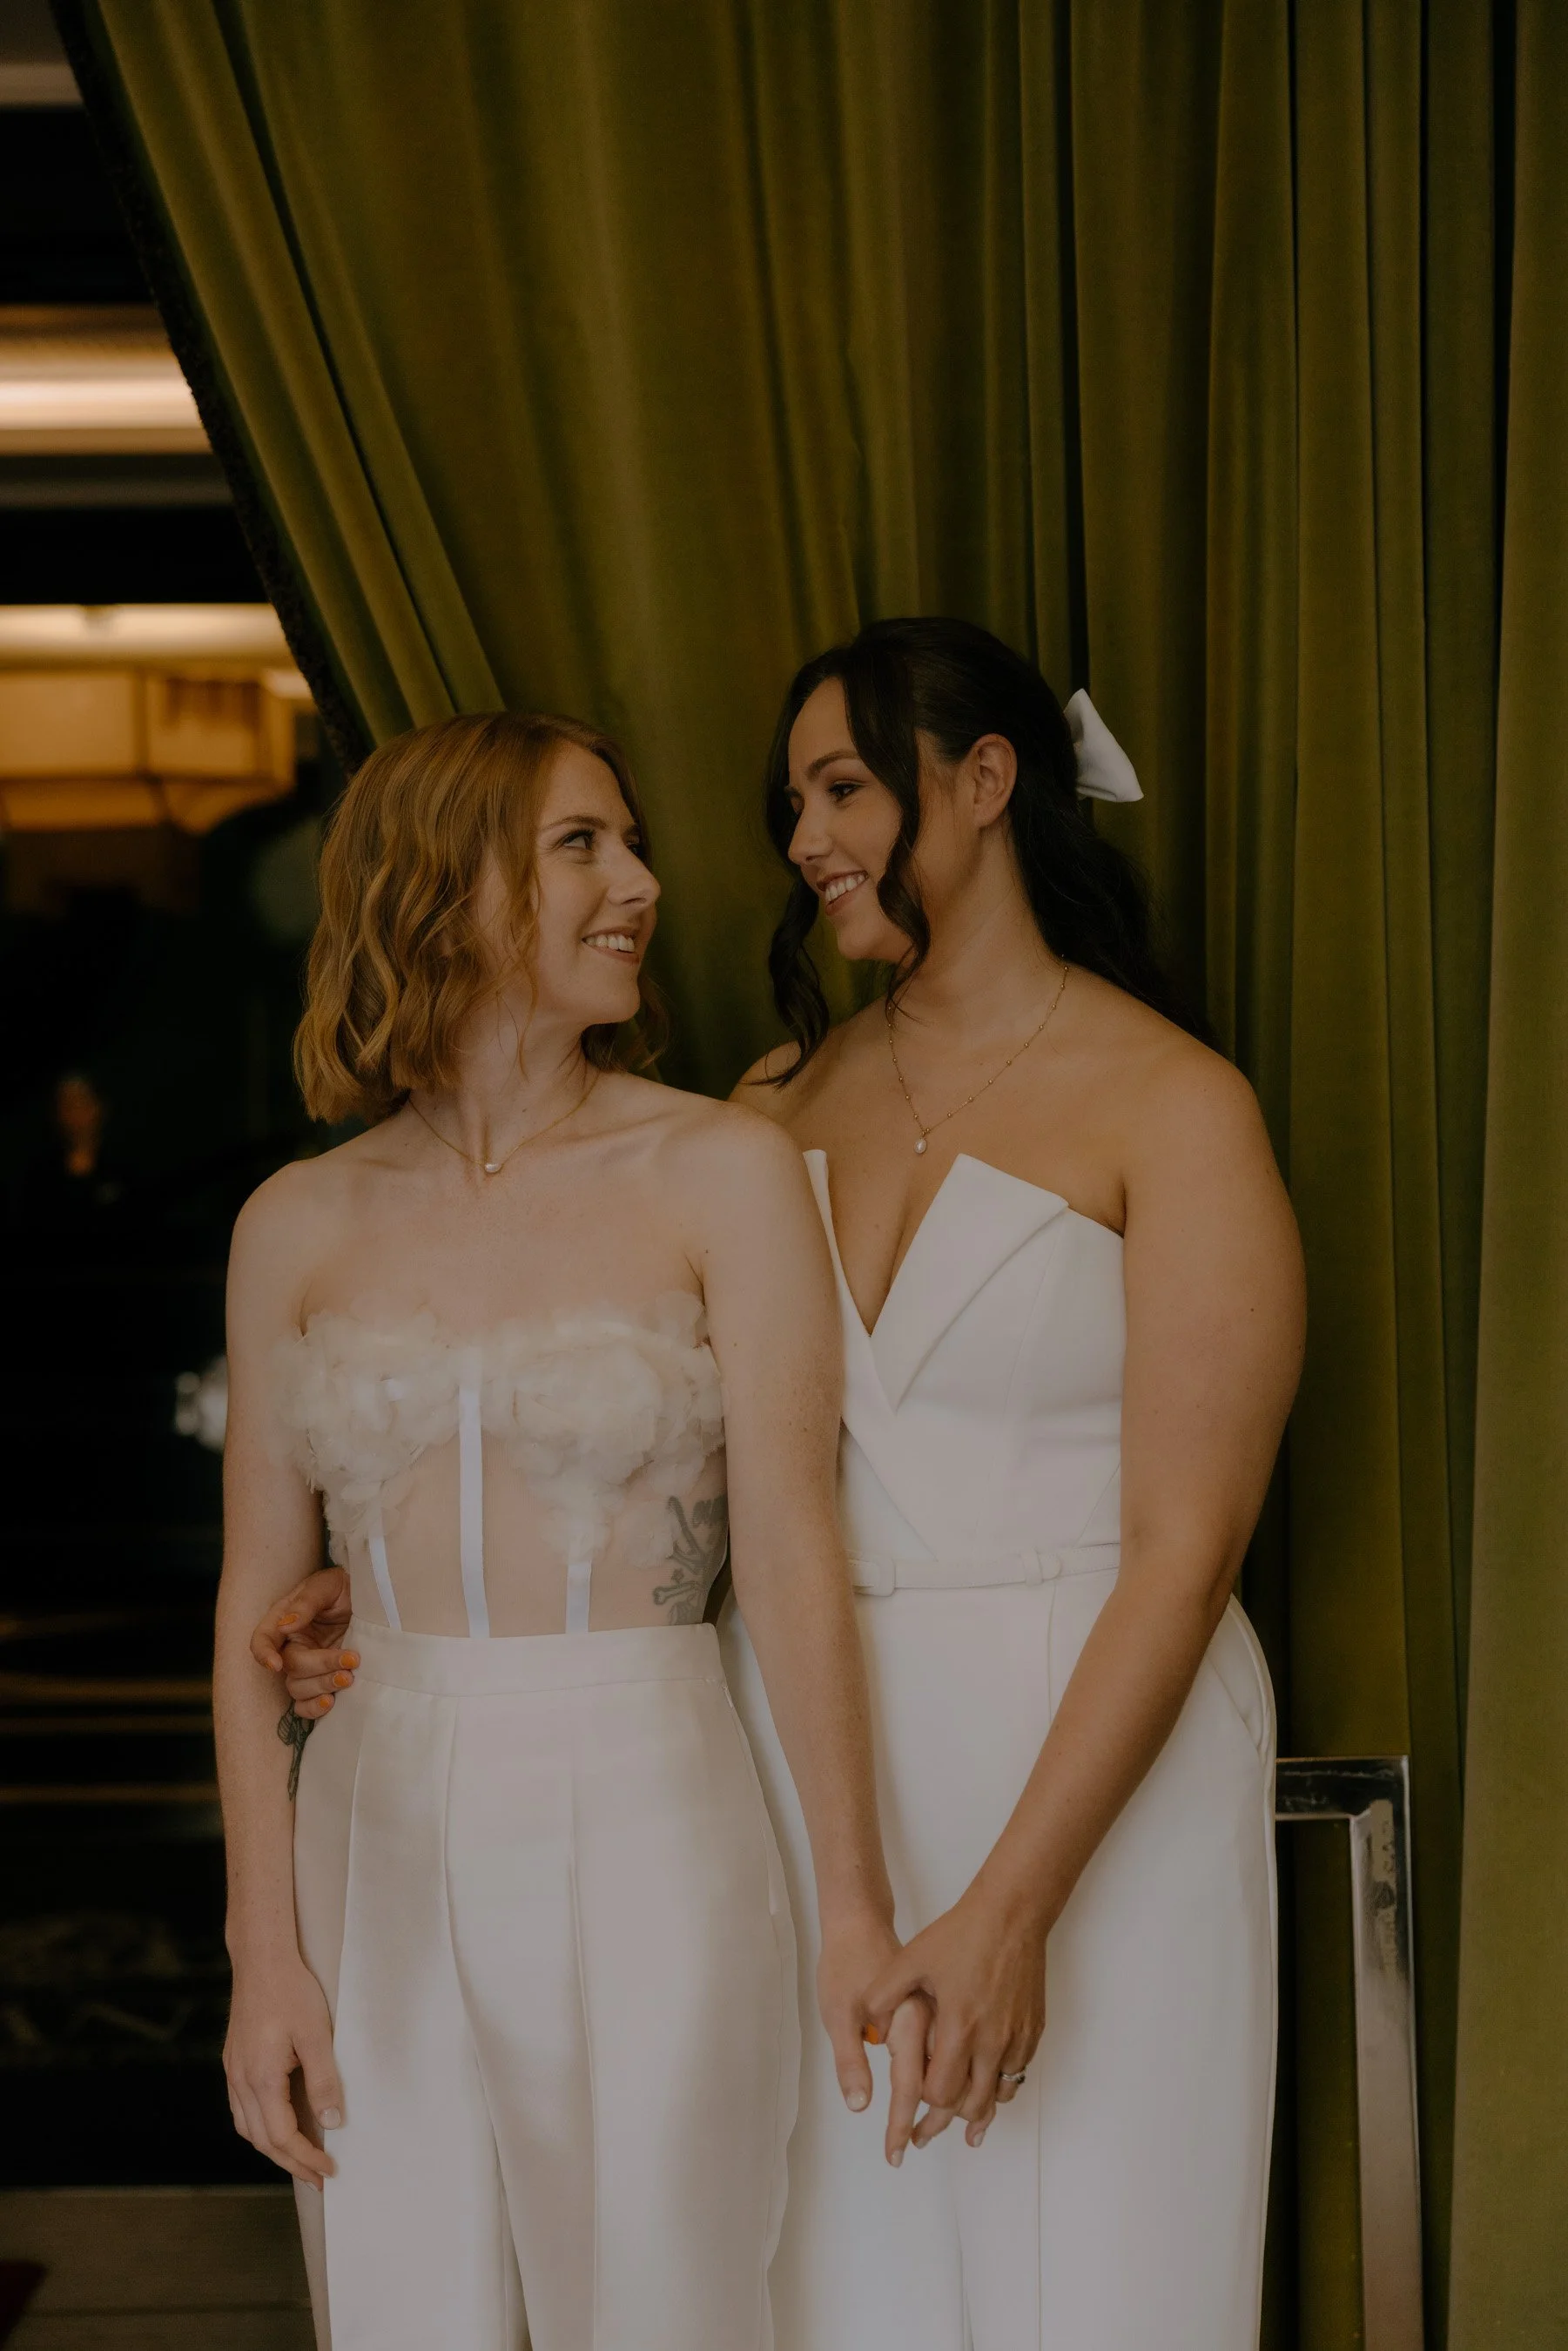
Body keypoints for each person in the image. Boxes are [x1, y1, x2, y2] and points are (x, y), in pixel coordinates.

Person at [265, 619, 1304, 2350]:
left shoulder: (1177, 1107)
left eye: (840, 790)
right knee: (828, 2294)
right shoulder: (762, 1110)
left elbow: (1188, 1550)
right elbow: (655, 1435)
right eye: (794, 804)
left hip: (1089, 1749)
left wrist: (1013, 1909)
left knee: (1108, 2275)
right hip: (800, 1769)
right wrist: (368, 1583)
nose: (802, 840)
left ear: (985, 783)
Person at [217, 709, 919, 2351]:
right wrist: (265, 1958)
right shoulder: (293, 1223)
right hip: (371, 1826)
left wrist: (853, 1907)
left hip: (652, 1804)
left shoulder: (721, 1170)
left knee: (669, 2296)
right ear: (446, 882)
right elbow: (255, 1606)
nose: (643, 886)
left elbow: (794, 1556)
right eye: (581, 845)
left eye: (632, 842)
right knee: (399, 2304)